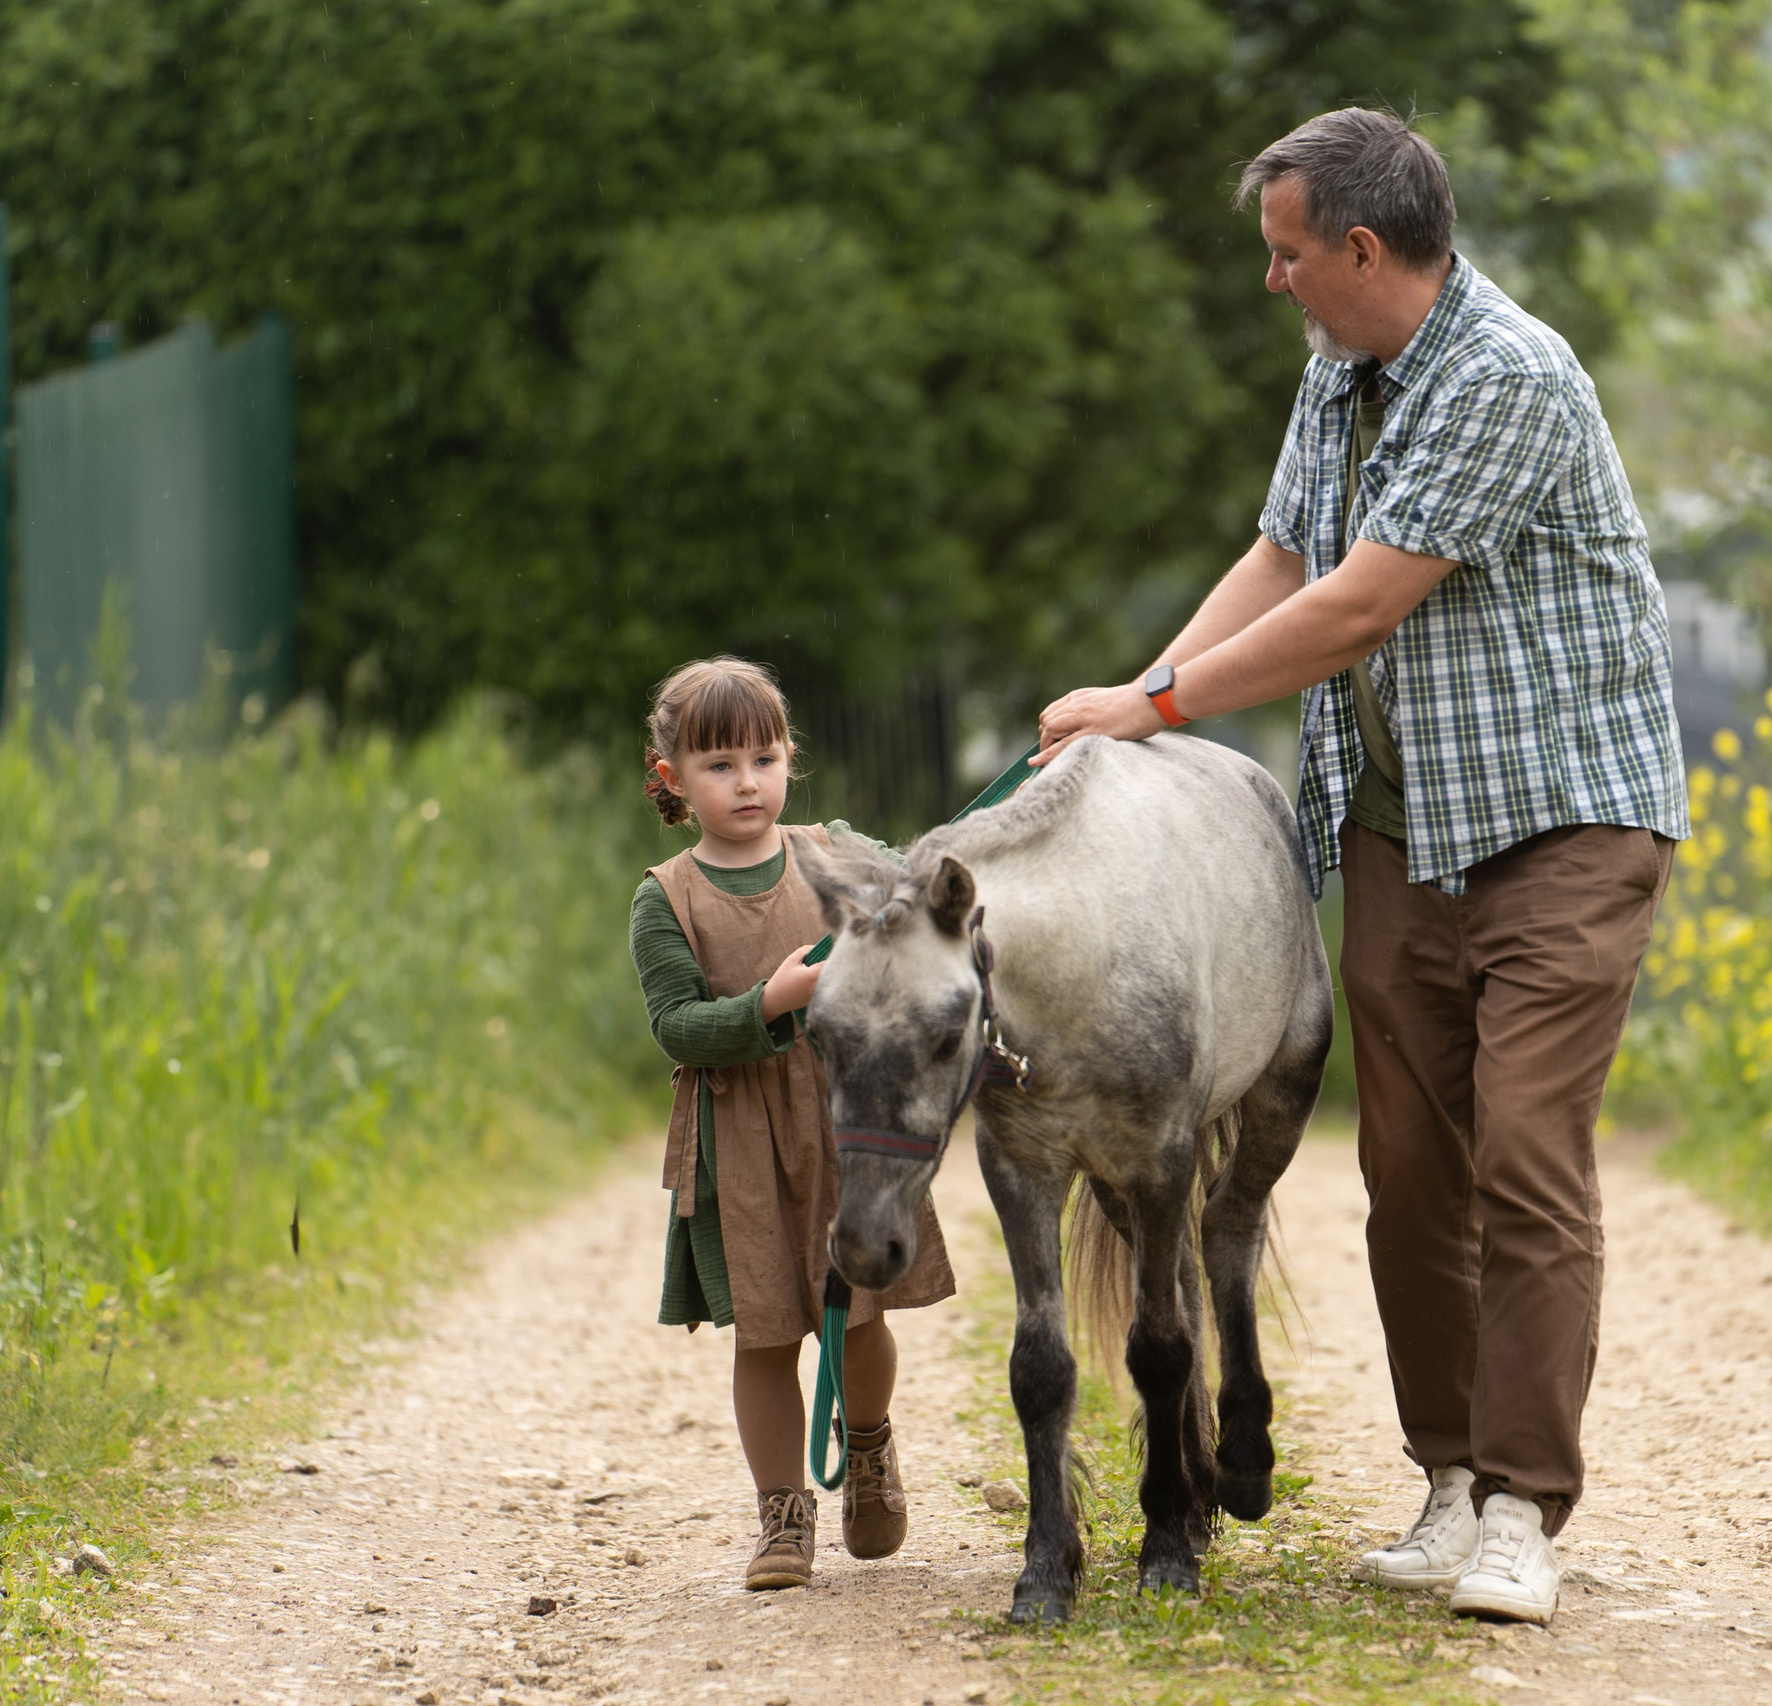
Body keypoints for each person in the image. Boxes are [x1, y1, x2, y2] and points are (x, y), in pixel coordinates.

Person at [1032, 109, 1687, 1624]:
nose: (1273, 280)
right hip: (1400, 827)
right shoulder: (1340, 368)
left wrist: (1154, 708)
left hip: (1562, 823)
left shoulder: (1508, 375)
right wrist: (1131, 704)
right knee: (1407, 1171)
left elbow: (1355, 607)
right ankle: (1449, 1478)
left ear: (1363, 248)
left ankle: (1522, 1505)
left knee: (1524, 1152)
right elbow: (1282, 556)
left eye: (1286, 253)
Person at [630, 656, 957, 1591]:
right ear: (672, 779)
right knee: (766, 1335)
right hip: (739, 1143)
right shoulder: (665, 897)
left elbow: (913, 889)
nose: (748, 783)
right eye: (720, 765)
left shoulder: (832, 852)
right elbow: (675, 1027)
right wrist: (768, 1003)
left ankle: (869, 1446)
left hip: (847, 1122)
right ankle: (782, 1514)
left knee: (858, 1315)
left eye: (764, 760)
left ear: (788, 760)